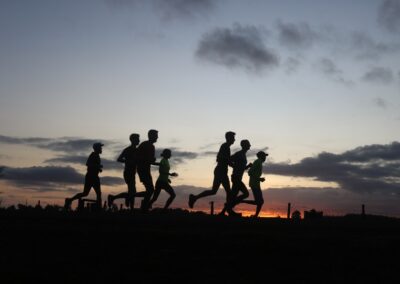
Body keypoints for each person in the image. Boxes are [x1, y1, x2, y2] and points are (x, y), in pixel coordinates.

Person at [188, 131, 237, 216]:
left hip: (221, 171)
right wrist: (233, 164)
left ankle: (194, 197)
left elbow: (226, 160)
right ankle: (228, 210)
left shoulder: (226, 147)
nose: (234, 140)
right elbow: (222, 159)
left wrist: (232, 163)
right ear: (228, 138)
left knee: (214, 191)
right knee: (228, 192)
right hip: (220, 171)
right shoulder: (225, 146)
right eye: (233, 138)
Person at [64, 142, 104, 210]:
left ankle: (69, 200)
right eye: (100, 147)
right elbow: (88, 164)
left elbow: (92, 166)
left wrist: (98, 169)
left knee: (93, 193)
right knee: (90, 193)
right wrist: (98, 166)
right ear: (97, 148)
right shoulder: (93, 155)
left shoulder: (97, 155)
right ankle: (98, 209)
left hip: (94, 176)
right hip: (91, 177)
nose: (101, 148)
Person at [108, 133, 140, 209]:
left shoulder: (137, 150)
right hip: (128, 173)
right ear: (132, 140)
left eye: (139, 139)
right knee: (132, 192)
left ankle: (118, 198)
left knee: (132, 192)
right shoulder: (127, 150)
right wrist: (128, 161)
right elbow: (119, 159)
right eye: (137, 139)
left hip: (133, 173)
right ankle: (113, 198)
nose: (139, 141)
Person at [224, 140, 252, 215]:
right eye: (248, 144)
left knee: (233, 196)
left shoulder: (243, 155)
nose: (250, 146)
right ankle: (229, 206)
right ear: (244, 145)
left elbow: (241, 168)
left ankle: (225, 210)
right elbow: (229, 159)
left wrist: (248, 167)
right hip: (236, 178)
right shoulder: (239, 154)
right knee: (246, 194)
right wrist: (234, 166)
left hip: (238, 178)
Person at [136, 129, 159, 211]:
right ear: (151, 136)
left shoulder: (151, 146)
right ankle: (132, 196)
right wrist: (151, 160)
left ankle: (144, 206)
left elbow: (150, 161)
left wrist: (157, 163)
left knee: (150, 190)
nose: (157, 138)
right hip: (142, 170)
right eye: (156, 136)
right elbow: (139, 157)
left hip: (145, 170)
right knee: (150, 190)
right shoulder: (145, 145)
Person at [241, 151, 268, 217]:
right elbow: (250, 172)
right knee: (260, 202)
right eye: (264, 156)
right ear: (261, 156)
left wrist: (259, 179)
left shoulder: (259, 162)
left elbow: (252, 172)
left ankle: (255, 215)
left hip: (256, 184)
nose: (265, 158)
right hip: (254, 184)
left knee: (260, 202)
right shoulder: (257, 162)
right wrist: (259, 179)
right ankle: (241, 201)